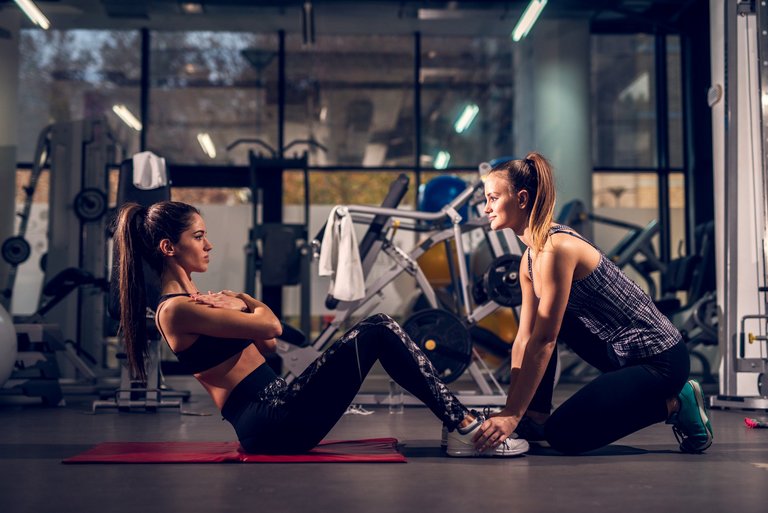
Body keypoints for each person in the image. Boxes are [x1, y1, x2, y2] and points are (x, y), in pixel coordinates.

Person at [114, 200, 528, 457]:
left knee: (379, 330)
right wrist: (245, 300)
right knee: (380, 328)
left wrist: (239, 300)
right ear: (169, 248)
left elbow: (269, 340)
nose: (208, 245)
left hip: (279, 407)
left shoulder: (201, 300)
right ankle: (466, 426)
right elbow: (271, 322)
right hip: (269, 422)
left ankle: (459, 422)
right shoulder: (175, 311)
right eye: (199, 236)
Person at [473, 152, 714, 455]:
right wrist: (514, 411)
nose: (487, 208)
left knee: (564, 436)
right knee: (537, 332)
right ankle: (535, 418)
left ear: (521, 199)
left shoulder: (556, 250)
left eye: (493, 198)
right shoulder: (529, 261)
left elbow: (545, 341)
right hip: (618, 352)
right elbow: (524, 339)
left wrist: (511, 417)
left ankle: (676, 403)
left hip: (660, 361)